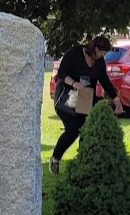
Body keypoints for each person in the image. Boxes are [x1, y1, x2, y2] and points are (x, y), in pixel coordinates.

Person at [49, 35, 124, 175]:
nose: (103, 55)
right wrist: (74, 83)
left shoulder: (99, 62)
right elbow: (62, 73)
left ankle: (84, 162)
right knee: (73, 129)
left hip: (85, 99)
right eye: (102, 52)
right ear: (95, 48)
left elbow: (105, 81)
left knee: (86, 128)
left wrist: (115, 98)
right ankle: (55, 158)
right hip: (67, 97)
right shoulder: (75, 53)